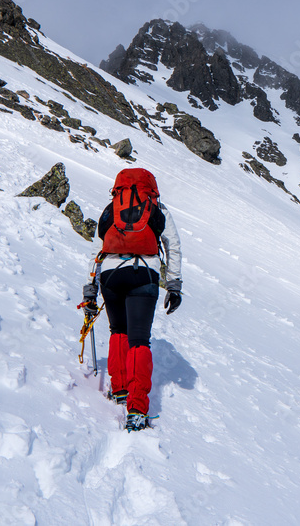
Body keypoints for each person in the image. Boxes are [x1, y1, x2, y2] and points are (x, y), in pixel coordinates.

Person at [81, 168, 182, 431]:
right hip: (143, 274)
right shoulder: (156, 208)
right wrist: (173, 284)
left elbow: (97, 248)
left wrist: (91, 287)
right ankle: (136, 409)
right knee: (139, 339)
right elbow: (173, 244)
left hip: (111, 276)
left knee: (118, 331)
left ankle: (120, 390)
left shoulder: (111, 208)